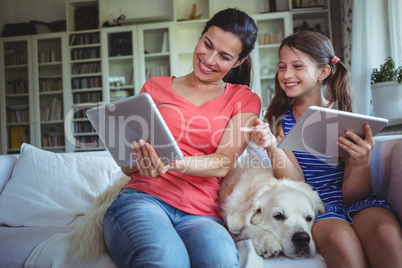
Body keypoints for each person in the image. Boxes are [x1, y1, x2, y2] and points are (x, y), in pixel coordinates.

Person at [103, 8, 260, 268]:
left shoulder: (244, 99)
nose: (208, 59)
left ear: (238, 62)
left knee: (220, 262)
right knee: (166, 260)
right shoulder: (155, 86)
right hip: (144, 200)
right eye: (207, 44)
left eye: (224, 56)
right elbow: (128, 166)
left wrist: (170, 162)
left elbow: (222, 162)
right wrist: (142, 159)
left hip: (202, 217)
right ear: (200, 37)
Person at [241, 31, 402, 268]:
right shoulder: (277, 121)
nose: (286, 75)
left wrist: (361, 162)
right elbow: (296, 180)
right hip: (315, 207)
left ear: (323, 72)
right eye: (282, 66)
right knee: (340, 241)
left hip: (359, 203)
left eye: (297, 66)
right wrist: (272, 147)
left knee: (386, 235)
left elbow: (354, 196)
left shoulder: (345, 117)